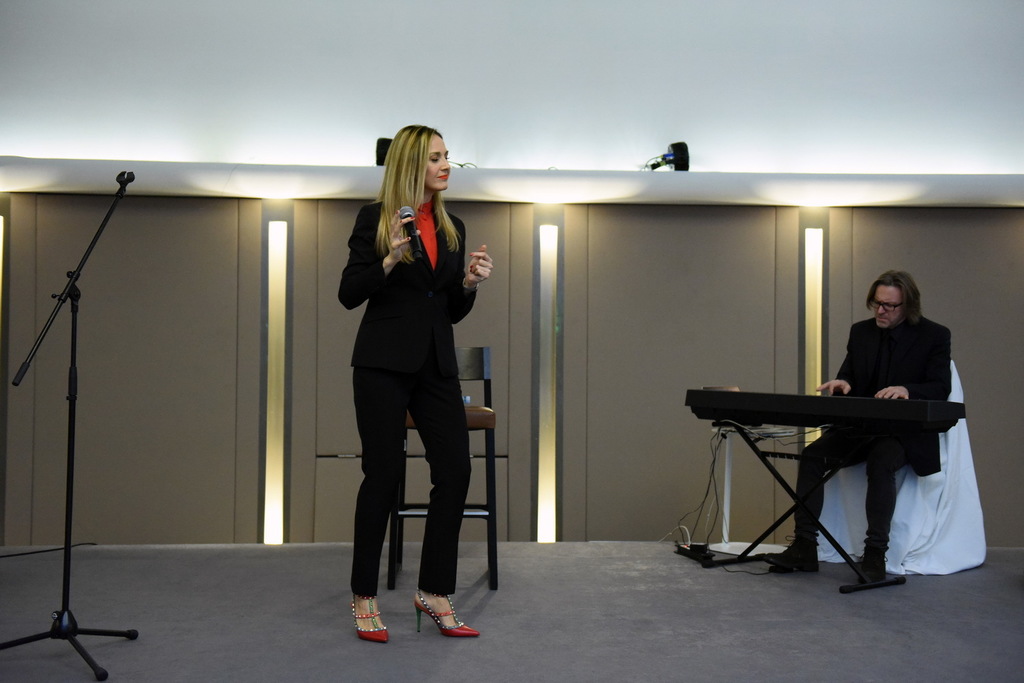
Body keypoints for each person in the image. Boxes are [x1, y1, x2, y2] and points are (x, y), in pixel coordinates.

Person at [338, 125, 493, 642]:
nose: (446, 165)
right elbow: (348, 293)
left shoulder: (452, 227)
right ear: (410, 163)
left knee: (455, 470)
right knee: (382, 477)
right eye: (435, 157)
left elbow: (447, 308)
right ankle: (364, 594)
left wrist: (468, 284)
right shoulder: (374, 219)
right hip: (382, 365)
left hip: (435, 367)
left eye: (447, 156)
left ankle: (434, 590)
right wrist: (387, 258)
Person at [764, 270, 951, 583]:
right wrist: (843, 383)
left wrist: (907, 389)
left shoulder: (934, 335)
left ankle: (875, 552)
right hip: (861, 428)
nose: (880, 311)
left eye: (889, 305)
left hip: (902, 432)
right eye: (876, 303)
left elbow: (940, 387)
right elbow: (849, 375)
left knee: (881, 461)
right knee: (812, 456)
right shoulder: (861, 332)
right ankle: (804, 546)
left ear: (908, 306)